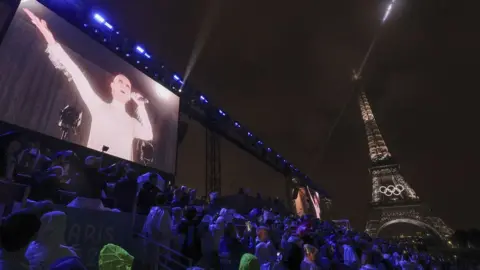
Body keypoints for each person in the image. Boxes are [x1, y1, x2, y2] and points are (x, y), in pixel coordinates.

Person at [23, 8, 154, 162]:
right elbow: (75, 72)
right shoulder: (98, 105)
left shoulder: (131, 122)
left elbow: (148, 135)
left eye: (127, 86)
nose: (125, 86)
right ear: (112, 86)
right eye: (120, 81)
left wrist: (141, 106)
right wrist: (50, 39)